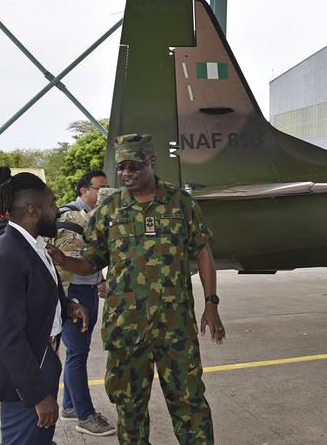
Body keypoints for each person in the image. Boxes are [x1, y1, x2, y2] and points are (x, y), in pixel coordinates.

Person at [50, 133, 226, 444]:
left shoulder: (180, 202)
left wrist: (211, 303)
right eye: (122, 168)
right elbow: (92, 260)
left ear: (151, 162)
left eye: (134, 166)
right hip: (126, 327)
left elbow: (203, 251)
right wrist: (65, 260)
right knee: (129, 406)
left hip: (175, 325)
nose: (127, 174)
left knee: (190, 401)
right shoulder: (109, 209)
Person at [0, 170, 89, 445]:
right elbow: (6, 335)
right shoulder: (7, 256)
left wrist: (67, 305)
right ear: (33, 210)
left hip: (41, 356)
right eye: (52, 203)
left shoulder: (34, 246)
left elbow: (38, 290)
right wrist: (37, 394)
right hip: (27, 369)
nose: (57, 209)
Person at [53, 169, 116, 437]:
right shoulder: (70, 217)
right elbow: (71, 262)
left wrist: (99, 278)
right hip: (73, 293)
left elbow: (92, 258)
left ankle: (69, 405)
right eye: (99, 189)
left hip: (87, 288)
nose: (104, 194)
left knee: (80, 353)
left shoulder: (92, 216)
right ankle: (85, 415)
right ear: (84, 192)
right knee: (77, 354)